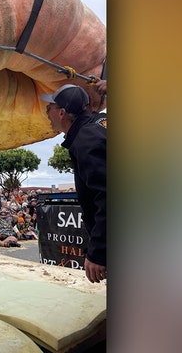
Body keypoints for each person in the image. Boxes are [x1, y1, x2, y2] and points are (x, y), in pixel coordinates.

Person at [43, 83, 106, 283]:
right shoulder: (101, 125)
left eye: (49, 107)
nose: (46, 112)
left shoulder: (87, 139)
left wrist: (98, 251)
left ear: (61, 113)